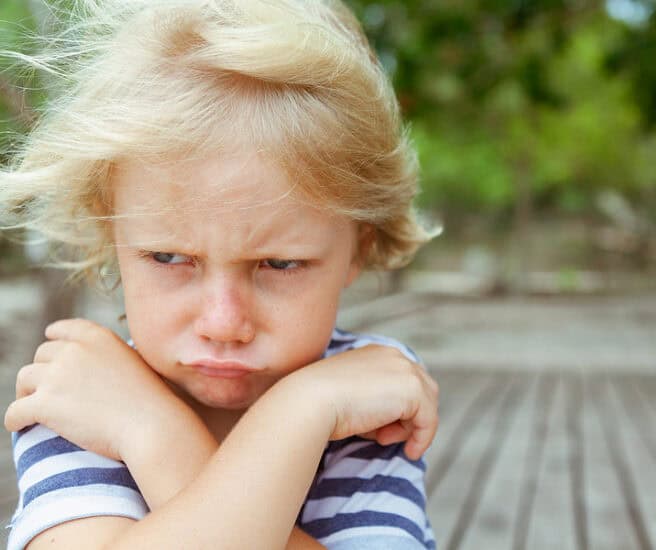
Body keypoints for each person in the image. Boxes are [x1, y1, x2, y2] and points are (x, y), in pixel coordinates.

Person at [0, 0, 441, 548]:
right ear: (114, 235)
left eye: (280, 264)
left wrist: (156, 434)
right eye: (168, 258)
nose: (224, 323)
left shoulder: (366, 396)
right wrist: (295, 417)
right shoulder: (80, 395)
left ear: (358, 247)